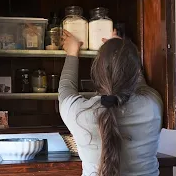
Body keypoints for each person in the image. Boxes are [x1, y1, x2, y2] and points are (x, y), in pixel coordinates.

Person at [58, 29, 163, 176]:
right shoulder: (152, 105)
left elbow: (65, 88)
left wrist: (72, 52)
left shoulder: (78, 113)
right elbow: (139, 84)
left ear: (95, 72)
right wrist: (122, 54)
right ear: (135, 71)